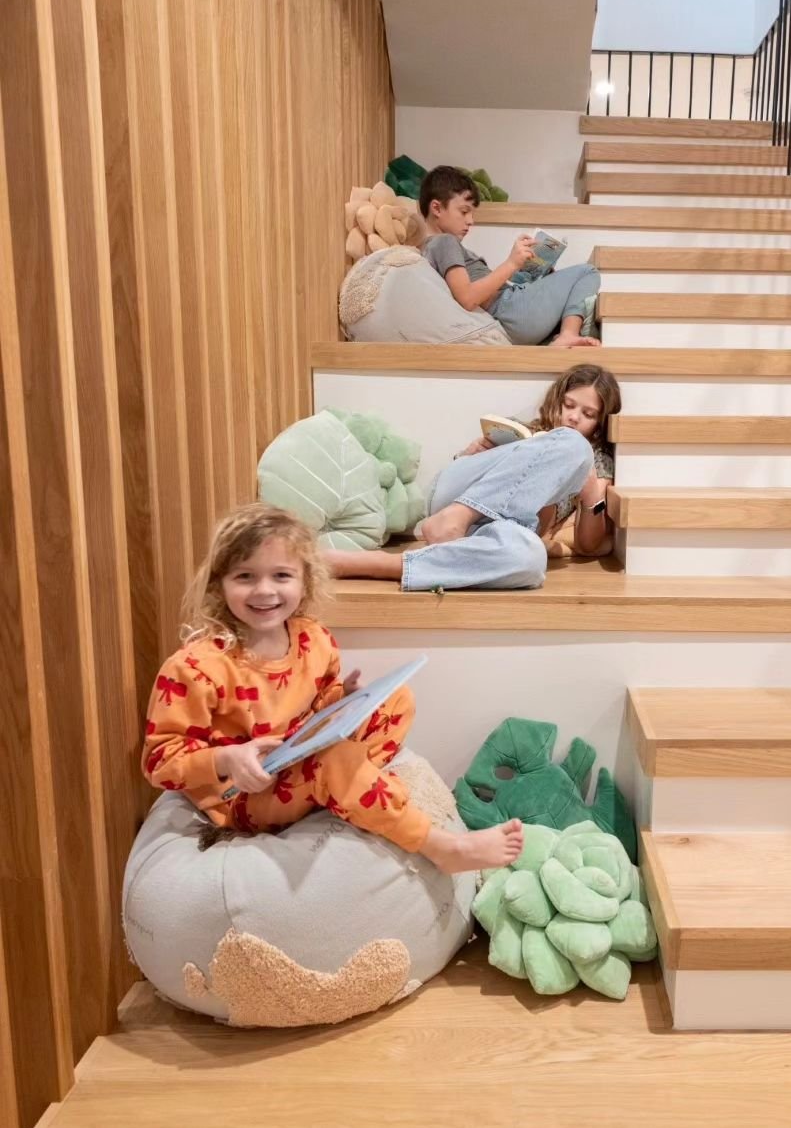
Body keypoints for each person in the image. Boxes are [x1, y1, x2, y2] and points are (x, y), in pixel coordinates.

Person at [141, 503, 524, 873]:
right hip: (246, 798)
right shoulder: (196, 666)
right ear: (219, 584)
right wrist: (228, 759)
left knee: (396, 700)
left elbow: (316, 707)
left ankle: (349, 787)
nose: (264, 591)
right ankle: (443, 847)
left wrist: (344, 698)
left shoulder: (312, 638)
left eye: (281, 576)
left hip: (298, 760)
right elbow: (159, 763)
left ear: (305, 579)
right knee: (335, 761)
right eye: (245, 576)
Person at [325, 365, 623, 588]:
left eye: (587, 413)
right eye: (569, 405)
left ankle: (383, 565)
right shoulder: (524, 428)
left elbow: (588, 546)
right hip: (452, 500)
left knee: (531, 560)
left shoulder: (595, 459)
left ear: (599, 422)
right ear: (557, 399)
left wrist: (591, 496)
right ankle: (459, 515)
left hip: (493, 532)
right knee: (569, 442)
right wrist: (471, 455)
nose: (573, 417)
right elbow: (461, 473)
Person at [419, 165, 601, 348]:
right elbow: (467, 298)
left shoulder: (432, 247)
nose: (470, 221)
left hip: (508, 309)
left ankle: (562, 334)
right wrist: (511, 263)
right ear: (436, 208)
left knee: (555, 282)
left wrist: (525, 270)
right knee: (587, 272)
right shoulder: (444, 242)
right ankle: (568, 335)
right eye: (464, 211)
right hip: (509, 311)